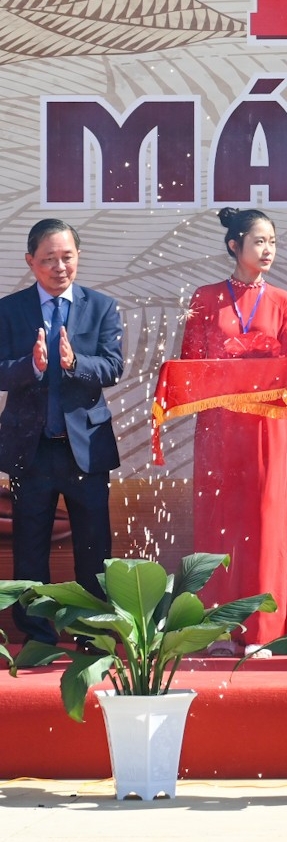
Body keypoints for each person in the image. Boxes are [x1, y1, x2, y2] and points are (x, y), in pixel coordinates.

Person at [181, 207, 287, 648]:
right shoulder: (205, 297)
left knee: (265, 523)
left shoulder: (282, 301)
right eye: (259, 241)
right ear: (235, 245)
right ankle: (216, 627)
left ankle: (263, 631)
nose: (268, 250)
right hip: (218, 423)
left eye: (272, 241)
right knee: (219, 521)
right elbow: (189, 367)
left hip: (267, 425)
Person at [0, 219, 124, 645]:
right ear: (30, 262)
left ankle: (92, 636)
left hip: (85, 449)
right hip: (29, 452)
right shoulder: (9, 310)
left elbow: (113, 366)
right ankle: (37, 638)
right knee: (30, 550)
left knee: (93, 551)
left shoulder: (101, 306)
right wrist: (31, 366)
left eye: (66, 257)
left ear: (78, 256)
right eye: (48, 259)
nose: (59, 267)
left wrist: (75, 364)